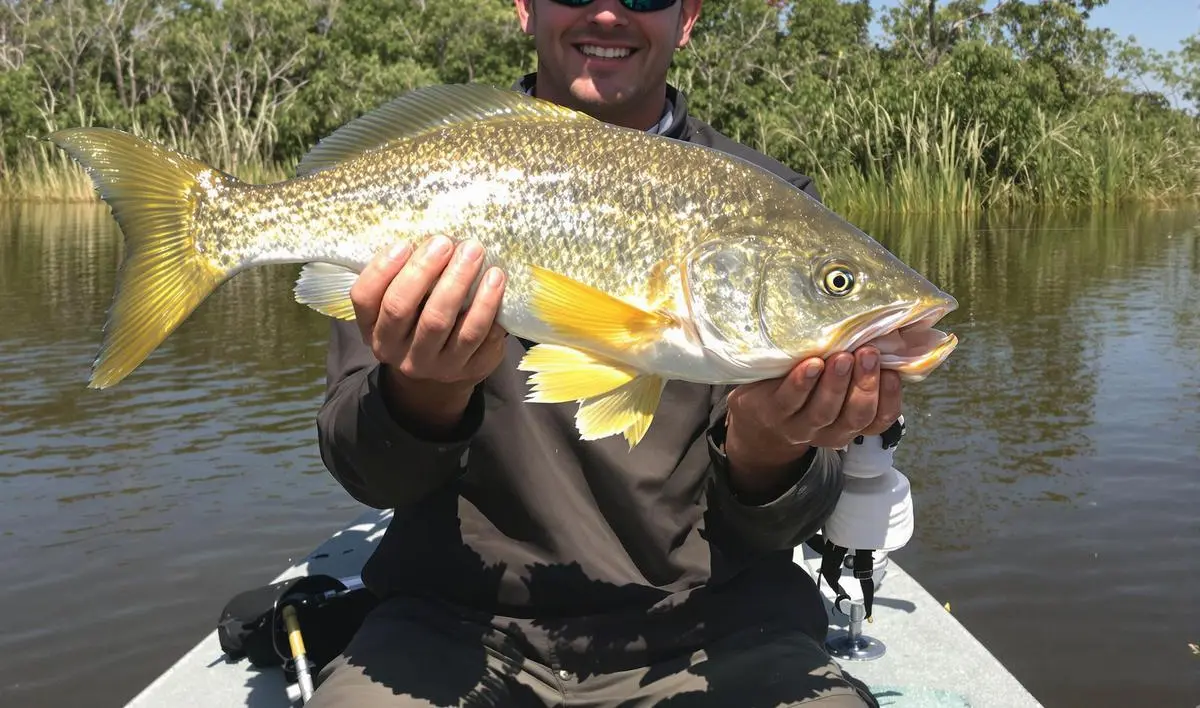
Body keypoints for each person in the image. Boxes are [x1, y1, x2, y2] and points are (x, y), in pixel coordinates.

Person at [308, 0, 900, 705]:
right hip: (453, 625)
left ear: (687, 17)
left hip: (718, 630)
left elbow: (779, 526)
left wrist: (770, 439)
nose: (610, 11)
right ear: (525, 8)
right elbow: (363, 470)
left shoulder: (773, 207)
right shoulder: (434, 177)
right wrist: (423, 394)